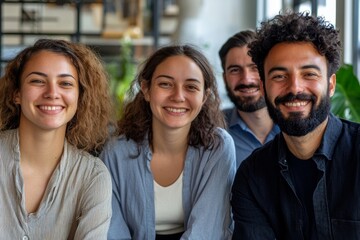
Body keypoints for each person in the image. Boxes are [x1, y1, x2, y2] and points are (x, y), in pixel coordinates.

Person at [230, 11, 360, 239]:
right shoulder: (252, 177)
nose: (294, 88)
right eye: (279, 76)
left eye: (309, 74)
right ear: (263, 87)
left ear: (330, 85)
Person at [101, 44, 236, 239]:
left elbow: (208, 230)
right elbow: (112, 231)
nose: (178, 96)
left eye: (191, 87)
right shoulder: (115, 152)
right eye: (165, 84)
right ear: (146, 89)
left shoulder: (218, 147)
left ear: (204, 96)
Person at [0, 39, 115, 239]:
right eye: (37, 81)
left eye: (65, 83)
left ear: (80, 98)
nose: (52, 93)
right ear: (16, 94)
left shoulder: (93, 177)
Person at [219, 30, 280, 167]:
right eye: (235, 70)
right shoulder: (212, 131)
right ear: (225, 78)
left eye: (255, 68)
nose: (246, 79)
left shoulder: (296, 126)